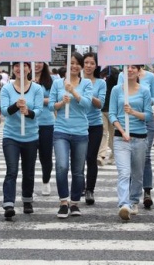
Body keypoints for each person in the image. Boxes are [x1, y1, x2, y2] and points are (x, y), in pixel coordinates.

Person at [49, 52, 93, 218]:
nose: (74, 66)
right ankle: (63, 201)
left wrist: (73, 92)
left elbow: (87, 105)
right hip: (61, 130)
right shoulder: (57, 83)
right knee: (61, 166)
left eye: (77, 63)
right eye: (71, 63)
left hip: (81, 131)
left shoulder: (87, 83)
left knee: (78, 170)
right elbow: (50, 106)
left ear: (81, 66)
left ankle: (74, 202)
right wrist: (62, 103)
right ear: (66, 65)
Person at [0, 62, 43, 219]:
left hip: (31, 136)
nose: (20, 69)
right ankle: (8, 203)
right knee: (12, 170)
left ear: (29, 68)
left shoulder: (37, 88)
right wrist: (16, 106)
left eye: (24, 65)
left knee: (29, 171)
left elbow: (39, 110)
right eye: (16, 66)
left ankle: (27, 200)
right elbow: (4, 111)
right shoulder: (6, 88)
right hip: (11, 135)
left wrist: (29, 112)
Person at [109, 64, 153, 221]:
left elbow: (148, 115)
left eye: (134, 67)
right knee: (124, 172)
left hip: (140, 138)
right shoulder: (116, 90)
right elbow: (112, 114)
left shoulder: (145, 91)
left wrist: (133, 112)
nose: (130, 70)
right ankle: (123, 204)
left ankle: (134, 200)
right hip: (121, 138)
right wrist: (122, 131)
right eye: (127, 67)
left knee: (137, 173)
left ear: (138, 71)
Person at [118, 64, 154, 208]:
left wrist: (142, 97)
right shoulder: (122, 74)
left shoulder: (150, 76)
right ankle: (128, 193)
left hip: (145, 118)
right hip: (127, 119)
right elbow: (119, 94)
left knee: (145, 156)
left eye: (134, 66)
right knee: (128, 157)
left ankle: (147, 190)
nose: (130, 69)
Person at [82, 52, 106, 205]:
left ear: (96, 65)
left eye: (92, 63)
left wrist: (88, 94)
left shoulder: (101, 83)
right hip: (78, 124)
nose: (89, 66)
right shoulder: (75, 81)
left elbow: (100, 104)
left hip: (95, 124)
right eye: (86, 62)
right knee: (78, 159)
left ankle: (89, 189)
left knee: (91, 158)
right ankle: (79, 186)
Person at [33, 62, 55, 196]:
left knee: (46, 155)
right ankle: (29, 185)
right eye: (34, 61)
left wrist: (39, 98)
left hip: (46, 122)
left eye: (40, 61)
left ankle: (46, 181)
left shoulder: (52, 81)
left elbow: (54, 100)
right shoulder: (25, 79)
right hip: (29, 122)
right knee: (29, 157)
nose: (37, 64)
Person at [98, 66, 120, 165]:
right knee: (103, 132)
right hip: (102, 109)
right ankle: (101, 155)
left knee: (112, 134)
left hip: (113, 109)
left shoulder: (116, 74)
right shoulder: (100, 72)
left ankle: (114, 154)